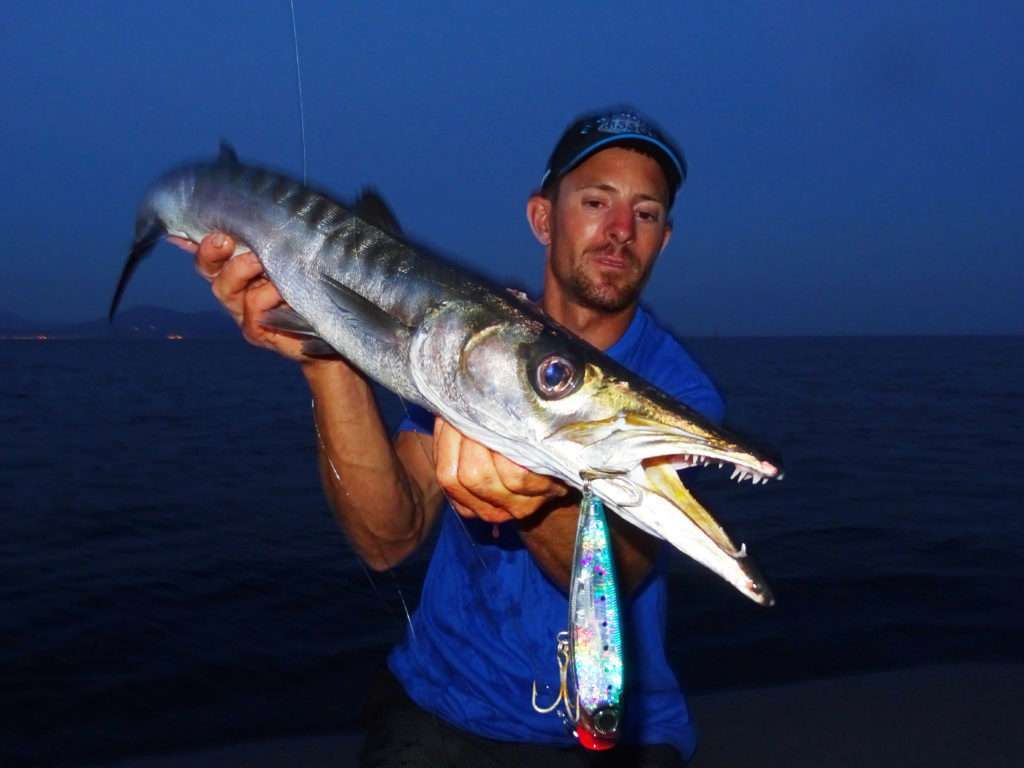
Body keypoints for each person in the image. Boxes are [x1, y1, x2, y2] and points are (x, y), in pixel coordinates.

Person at [178, 108, 724, 767]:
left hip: (614, 730)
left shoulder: (675, 393)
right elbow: (388, 537)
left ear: (664, 237)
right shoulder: (468, 349)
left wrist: (540, 497)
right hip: (436, 709)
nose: (618, 231)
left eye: (646, 213)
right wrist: (327, 355)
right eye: (595, 201)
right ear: (543, 217)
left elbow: (629, 566)